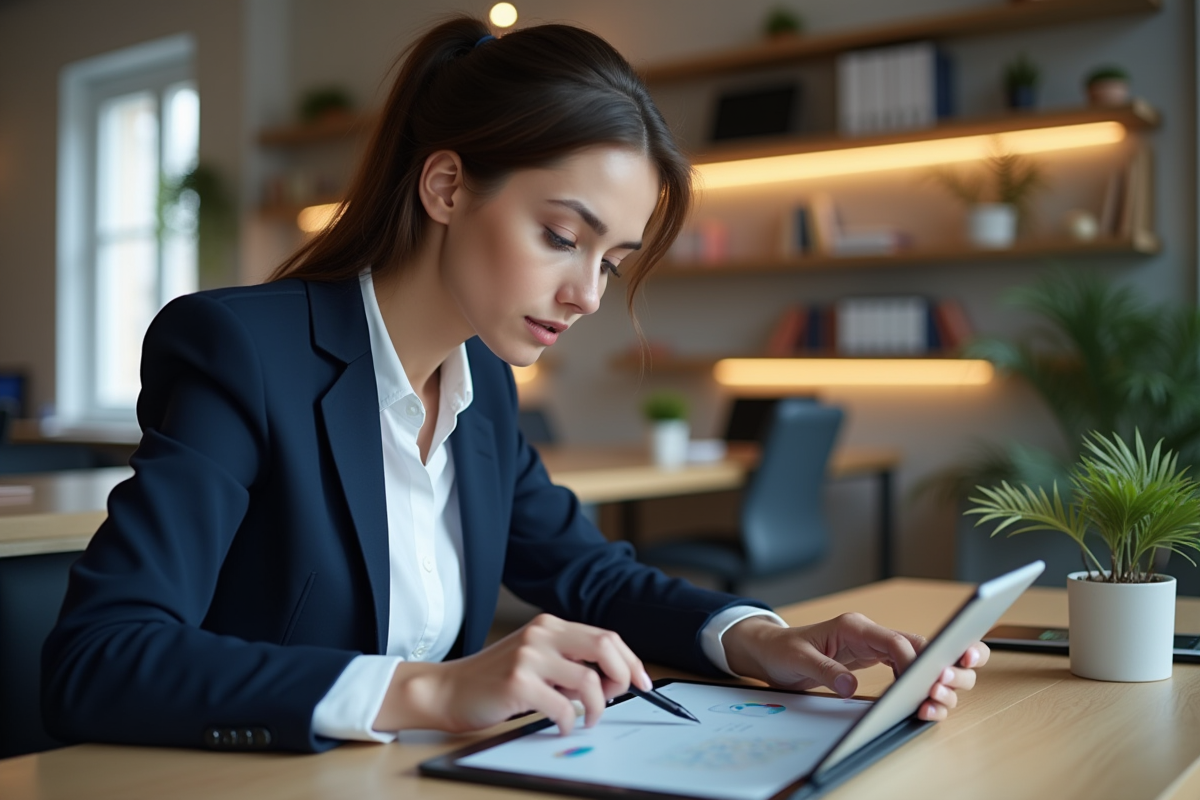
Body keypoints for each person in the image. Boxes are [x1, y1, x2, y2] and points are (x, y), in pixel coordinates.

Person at [42, 15, 988, 753]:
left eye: (610, 261)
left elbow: (586, 573)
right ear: (447, 188)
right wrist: (433, 690)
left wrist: (756, 638)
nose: (587, 295)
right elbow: (98, 657)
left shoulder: (482, 386)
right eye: (561, 237)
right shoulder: (243, 351)